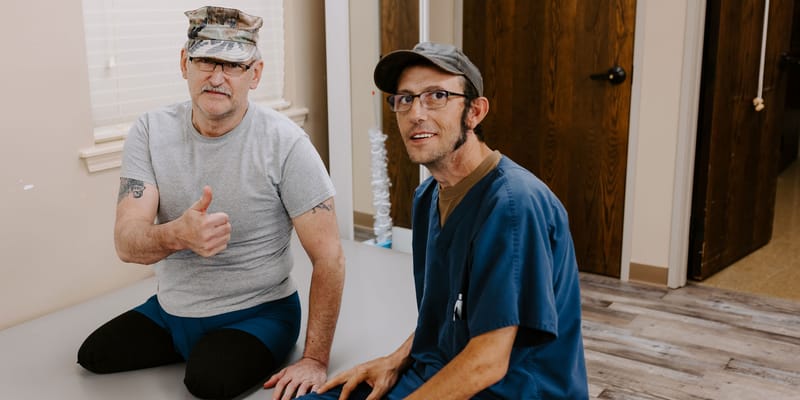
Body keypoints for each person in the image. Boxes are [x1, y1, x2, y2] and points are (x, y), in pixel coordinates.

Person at [76, 6, 345, 400]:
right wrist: (178, 235)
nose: (217, 77)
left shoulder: (286, 145)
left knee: (207, 382)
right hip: (172, 310)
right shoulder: (150, 131)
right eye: (205, 60)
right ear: (185, 63)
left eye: (233, 65)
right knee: (93, 356)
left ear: (255, 74)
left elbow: (330, 257)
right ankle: (184, 331)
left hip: (258, 313)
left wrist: (315, 359)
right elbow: (126, 241)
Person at [302, 42, 589, 399]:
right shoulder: (428, 199)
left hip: (511, 390)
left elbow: (488, 360)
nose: (415, 113)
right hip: (437, 371)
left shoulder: (514, 207)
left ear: (475, 112)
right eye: (404, 99)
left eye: (437, 96)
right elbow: (445, 316)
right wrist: (394, 361)